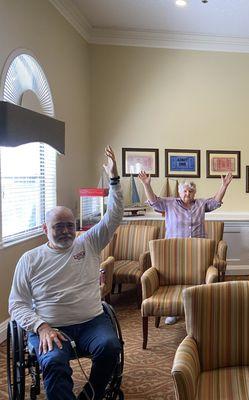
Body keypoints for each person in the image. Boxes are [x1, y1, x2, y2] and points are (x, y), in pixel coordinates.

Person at [8, 146, 124, 400]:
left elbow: (114, 217)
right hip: (51, 326)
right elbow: (17, 304)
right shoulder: (30, 259)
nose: (65, 231)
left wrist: (114, 180)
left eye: (69, 226)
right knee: (54, 362)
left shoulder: (89, 243)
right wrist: (41, 327)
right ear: (45, 228)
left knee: (110, 348)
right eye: (58, 226)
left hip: (92, 321)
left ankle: (89, 396)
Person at [138, 171, 232, 324]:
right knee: (177, 279)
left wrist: (224, 186)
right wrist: (146, 184)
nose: (187, 193)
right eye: (185, 191)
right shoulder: (169, 203)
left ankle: (198, 307)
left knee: (198, 279)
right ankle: (174, 311)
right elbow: (154, 201)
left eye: (190, 191)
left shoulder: (201, 204)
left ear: (194, 193)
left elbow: (215, 202)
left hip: (198, 250)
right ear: (179, 192)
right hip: (175, 250)